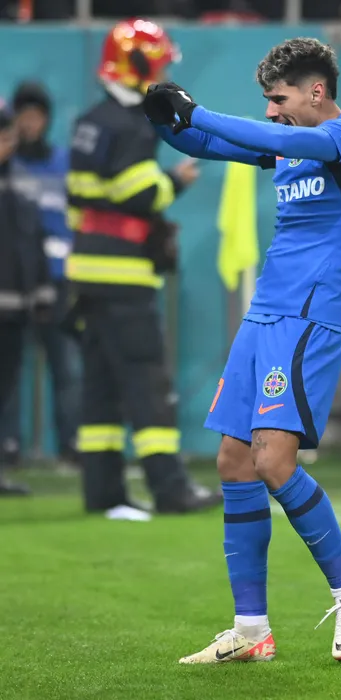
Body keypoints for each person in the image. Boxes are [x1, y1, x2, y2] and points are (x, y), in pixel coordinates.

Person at [144, 37, 341, 662]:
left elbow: (267, 137)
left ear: (317, 91)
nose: (272, 111)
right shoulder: (289, 145)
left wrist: (197, 111)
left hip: (310, 317)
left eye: (278, 99)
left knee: (274, 461)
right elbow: (206, 144)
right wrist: (163, 121)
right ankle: (251, 630)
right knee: (233, 461)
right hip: (264, 316)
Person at [66, 18, 222, 517]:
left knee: (101, 386)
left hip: (86, 274)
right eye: (158, 64)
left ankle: (104, 492)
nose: (162, 74)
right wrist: (174, 182)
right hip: (125, 276)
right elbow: (137, 192)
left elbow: (81, 199)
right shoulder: (131, 124)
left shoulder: (90, 121)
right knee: (146, 383)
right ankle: (170, 489)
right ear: (136, 64)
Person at [0, 81, 82, 467]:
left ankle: (70, 445)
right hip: (14, 280)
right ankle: (9, 446)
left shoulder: (64, 162)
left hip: (59, 279)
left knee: (65, 366)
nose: (29, 124)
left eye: (36, 116)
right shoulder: (7, 166)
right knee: (8, 369)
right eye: (24, 117)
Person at [0, 106, 56, 495]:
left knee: (5, 391)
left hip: (14, 308)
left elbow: (33, 241)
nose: (8, 145)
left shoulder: (20, 182)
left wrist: (41, 293)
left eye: (9, 138)